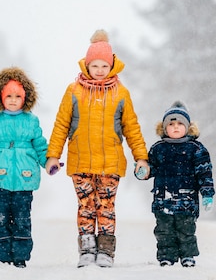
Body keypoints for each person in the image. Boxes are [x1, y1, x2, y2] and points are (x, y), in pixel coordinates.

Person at [45, 29, 150, 268]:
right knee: (85, 207)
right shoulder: (74, 91)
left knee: (106, 207)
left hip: (110, 163)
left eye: (105, 65)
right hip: (80, 161)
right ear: (87, 65)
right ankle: (86, 248)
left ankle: (105, 249)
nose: (100, 70)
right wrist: (53, 156)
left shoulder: (121, 94)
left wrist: (141, 158)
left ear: (112, 65)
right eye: (95, 65)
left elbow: (132, 128)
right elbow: (61, 124)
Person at [0, 66, 48, 268]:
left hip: (24, 179)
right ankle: (1, 255)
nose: (13, 100)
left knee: (22, 218)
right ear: (1, 97)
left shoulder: (31, 121)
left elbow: (40, 146)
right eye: (9, 96)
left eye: (17, 96)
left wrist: (49, 162)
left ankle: (20, 256)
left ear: (25, 98)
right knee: (0, 217)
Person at [145, 101, 215, 268]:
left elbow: (204, 173)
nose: (175, 127)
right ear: (164, 128)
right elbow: (150, 168)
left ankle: (187, 255)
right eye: (171, 124)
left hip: (187, 200)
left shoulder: (196, 149)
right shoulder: (158, 149)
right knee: (164, 231)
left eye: (179, 124)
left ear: (188, 127)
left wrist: (207, 194)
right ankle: (166, 256)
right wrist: (143, 172)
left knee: (186, 231)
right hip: (163, 199)